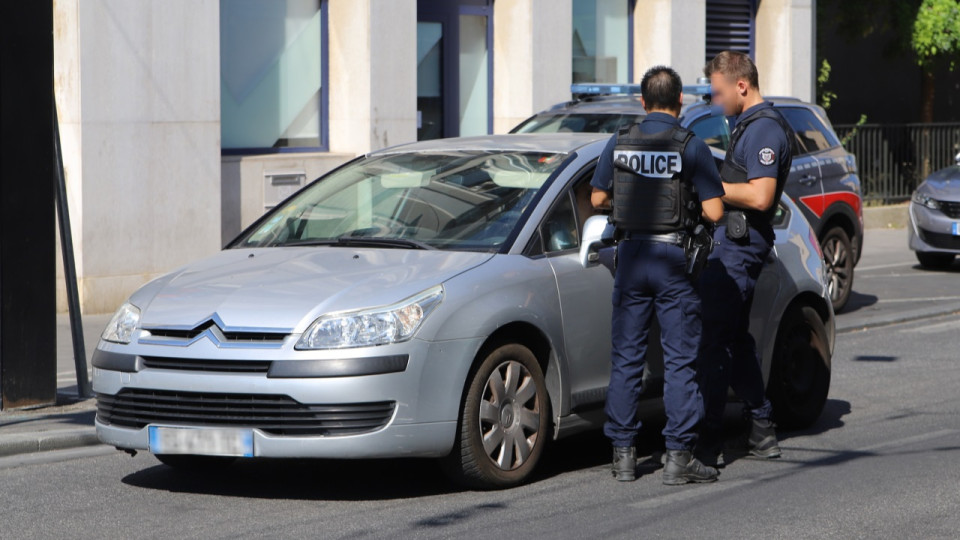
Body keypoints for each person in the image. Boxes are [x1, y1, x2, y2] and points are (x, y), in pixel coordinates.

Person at [590, 66, 725, 485]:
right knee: (680, 360)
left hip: (631, 257)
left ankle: (624, 456)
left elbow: (596, 197)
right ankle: (679, 457)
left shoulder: (621, 141)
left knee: (627, 358)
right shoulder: (691, 145)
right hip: (673, 261)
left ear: (643, 102)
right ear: (680, 101)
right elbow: (716, 211)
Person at [696, 51, 795, 466]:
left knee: (715, 343)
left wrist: (710, 186)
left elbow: (760, 195)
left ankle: (706, 445)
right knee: (735, 340)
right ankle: (761, 429)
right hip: (736, 243)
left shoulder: (764, 130)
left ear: (742, 86)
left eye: (719, 93)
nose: (716, 103)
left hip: (741, 247)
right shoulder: (748, 127)